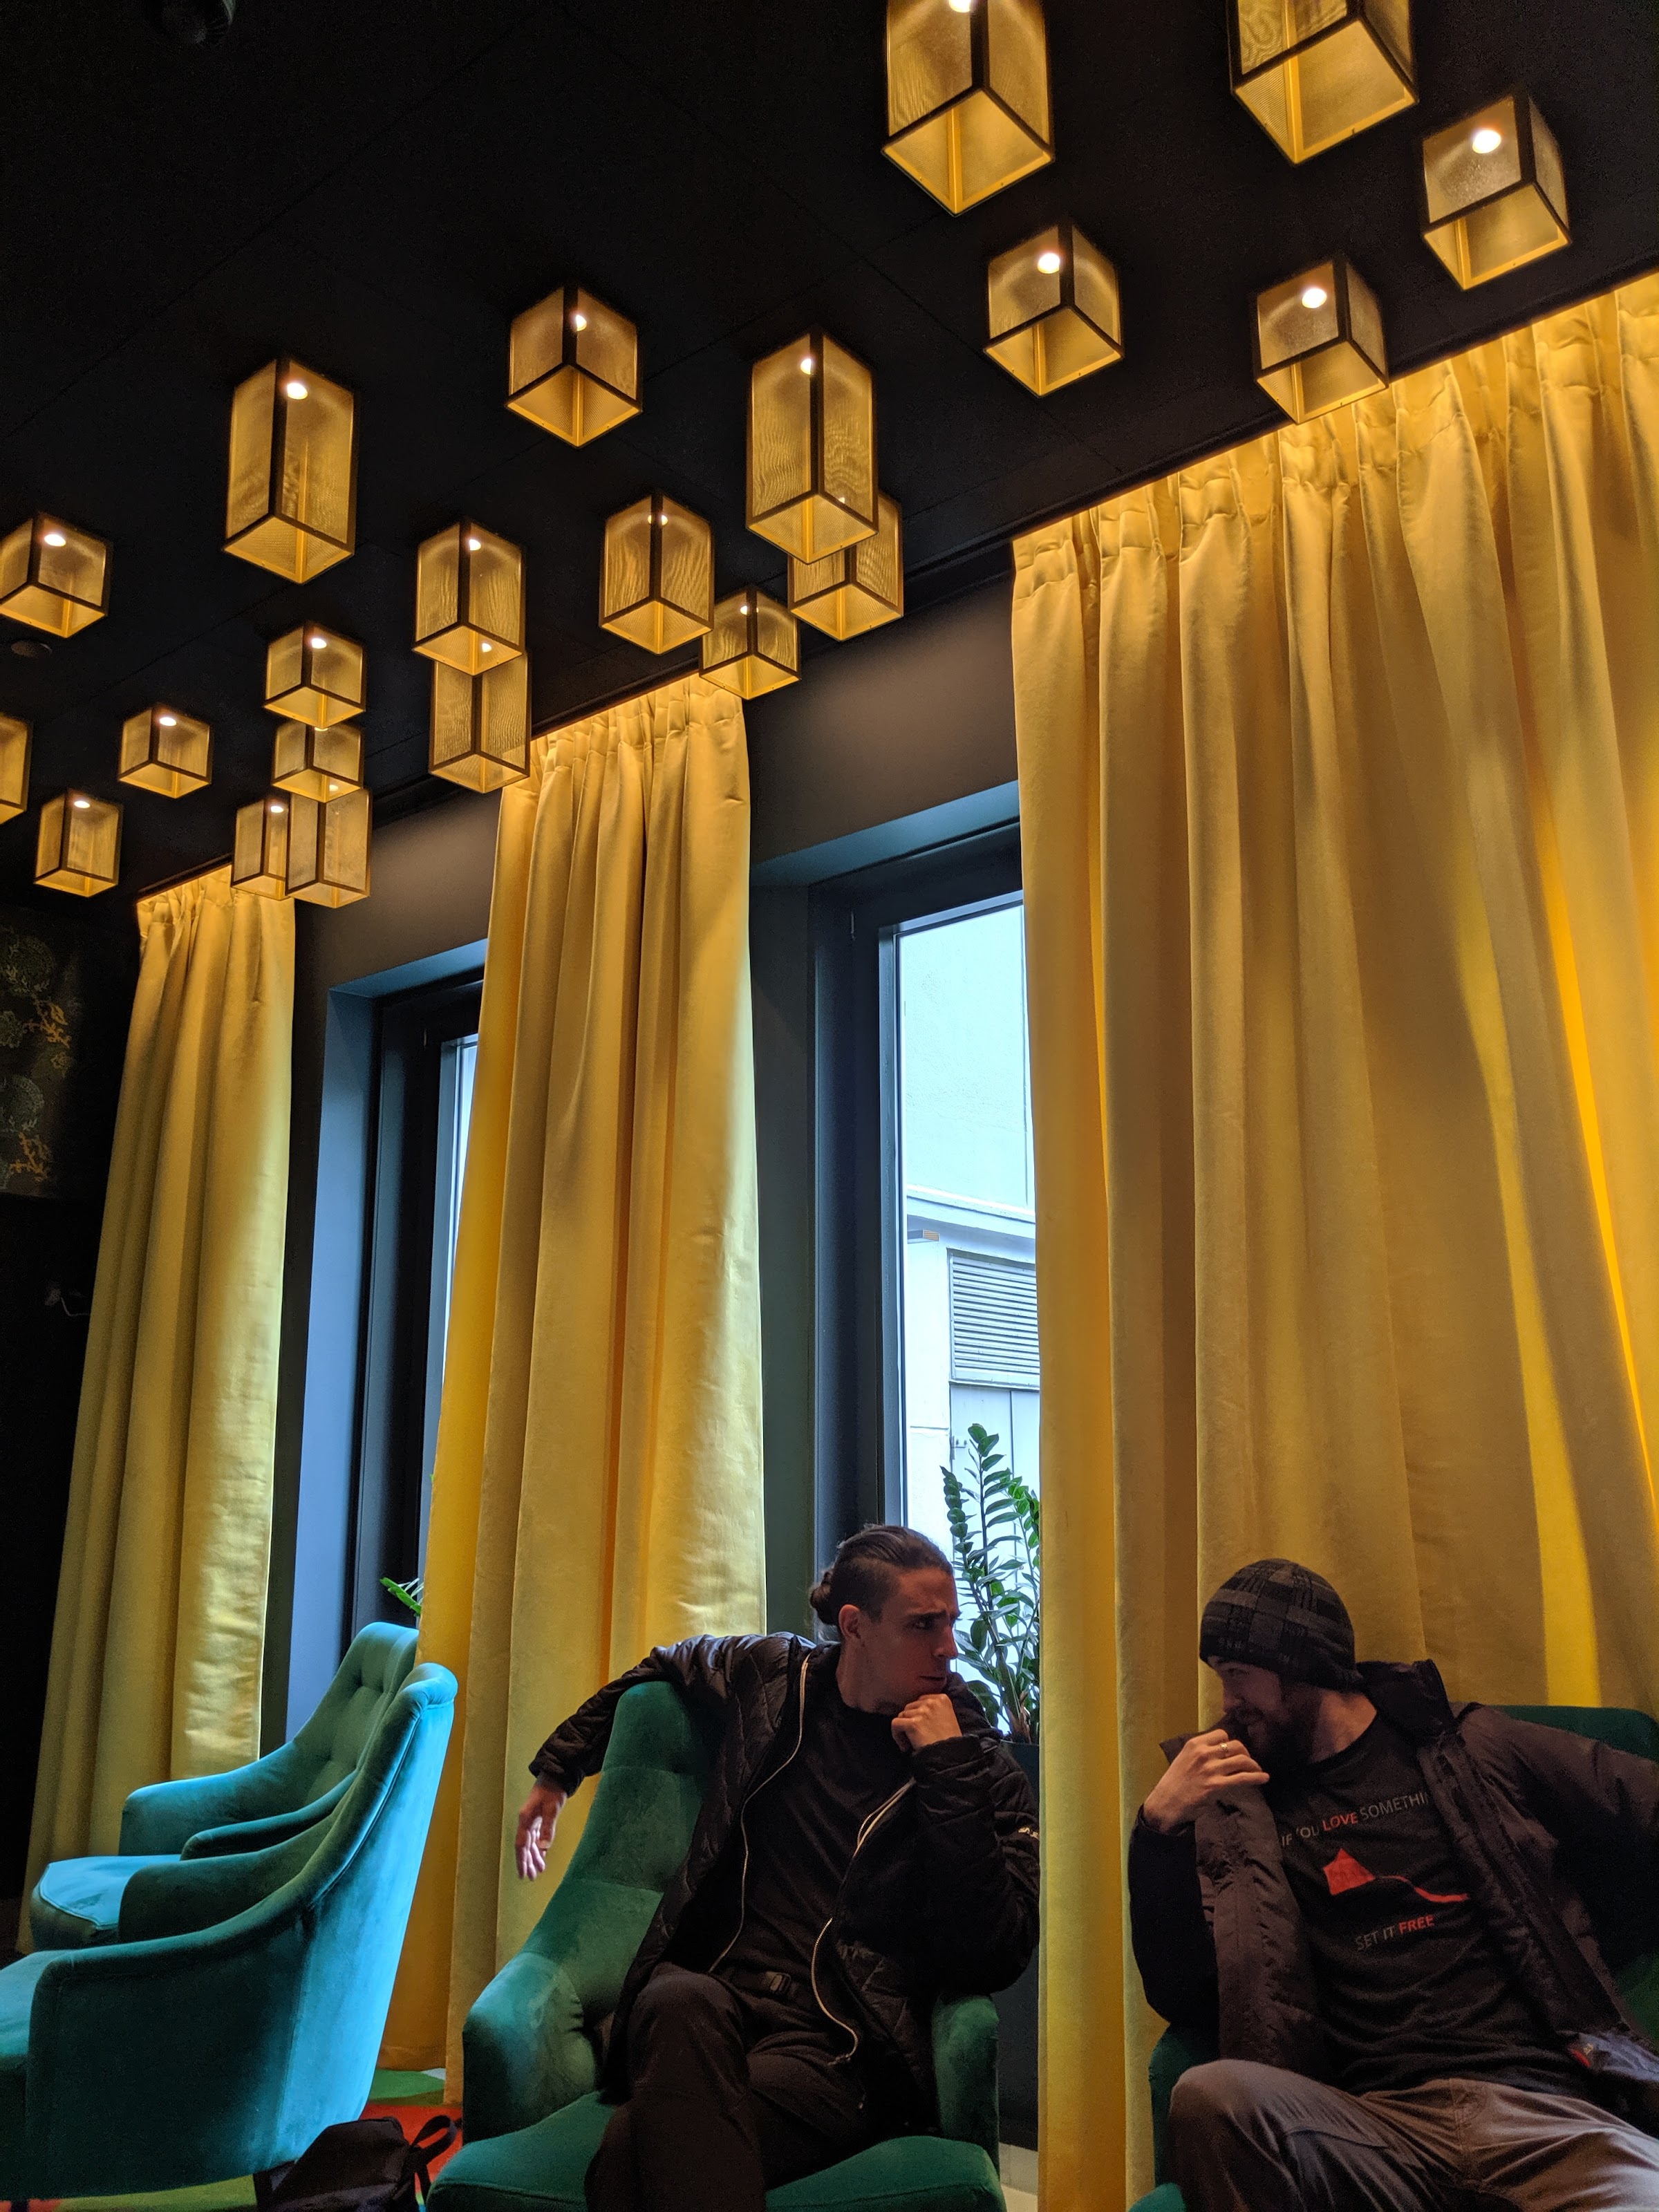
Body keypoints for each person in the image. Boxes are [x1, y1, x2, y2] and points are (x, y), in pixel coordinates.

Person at [514, 1524, 1039, 2212]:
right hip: (713, 2004)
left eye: (950, 1622)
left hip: (837, 2046)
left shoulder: (977, 1763)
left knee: (632, 2147)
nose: (950, 1647)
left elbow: (992, 1952)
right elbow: (663, 1665)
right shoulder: (774, 1679)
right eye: (924, 1624)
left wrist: (946, 1769)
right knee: (675, 1996)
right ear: (855, 1625)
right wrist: (558, 1773)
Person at [1129, 1556, 1659, 2212]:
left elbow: (1641, 1801)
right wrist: (1157, 1832)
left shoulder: (1469, 1747)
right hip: (1371, 2132)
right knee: (1210, 2097)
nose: (1225, 1704)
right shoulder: (1244, 1810)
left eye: (1237, 1676)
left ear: (1301, 1667)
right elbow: (1185, 1996)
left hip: (1544, 2120)